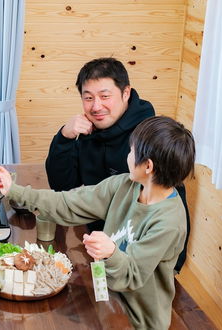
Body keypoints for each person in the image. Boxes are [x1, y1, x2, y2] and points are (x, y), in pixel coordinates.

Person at [0, 116, 195, 330]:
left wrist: (110, 253)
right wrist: (14, 190)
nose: (128, 156)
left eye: (132, 151)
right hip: (104, 292)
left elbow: (131, 275)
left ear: (148, 166)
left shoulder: (169, 222)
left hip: (136, 319)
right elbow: (70, 202)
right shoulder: (125, 185)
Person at [45, 57, 190, 272]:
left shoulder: (148, 138)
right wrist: (65, 137)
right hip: (96, 239)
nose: (96, 106)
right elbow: (62, 186)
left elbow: (169, 206)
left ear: (126, 93)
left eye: (105, 96)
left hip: (137, 254)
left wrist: (170, 269)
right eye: (88, 98)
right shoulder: (88, 130)